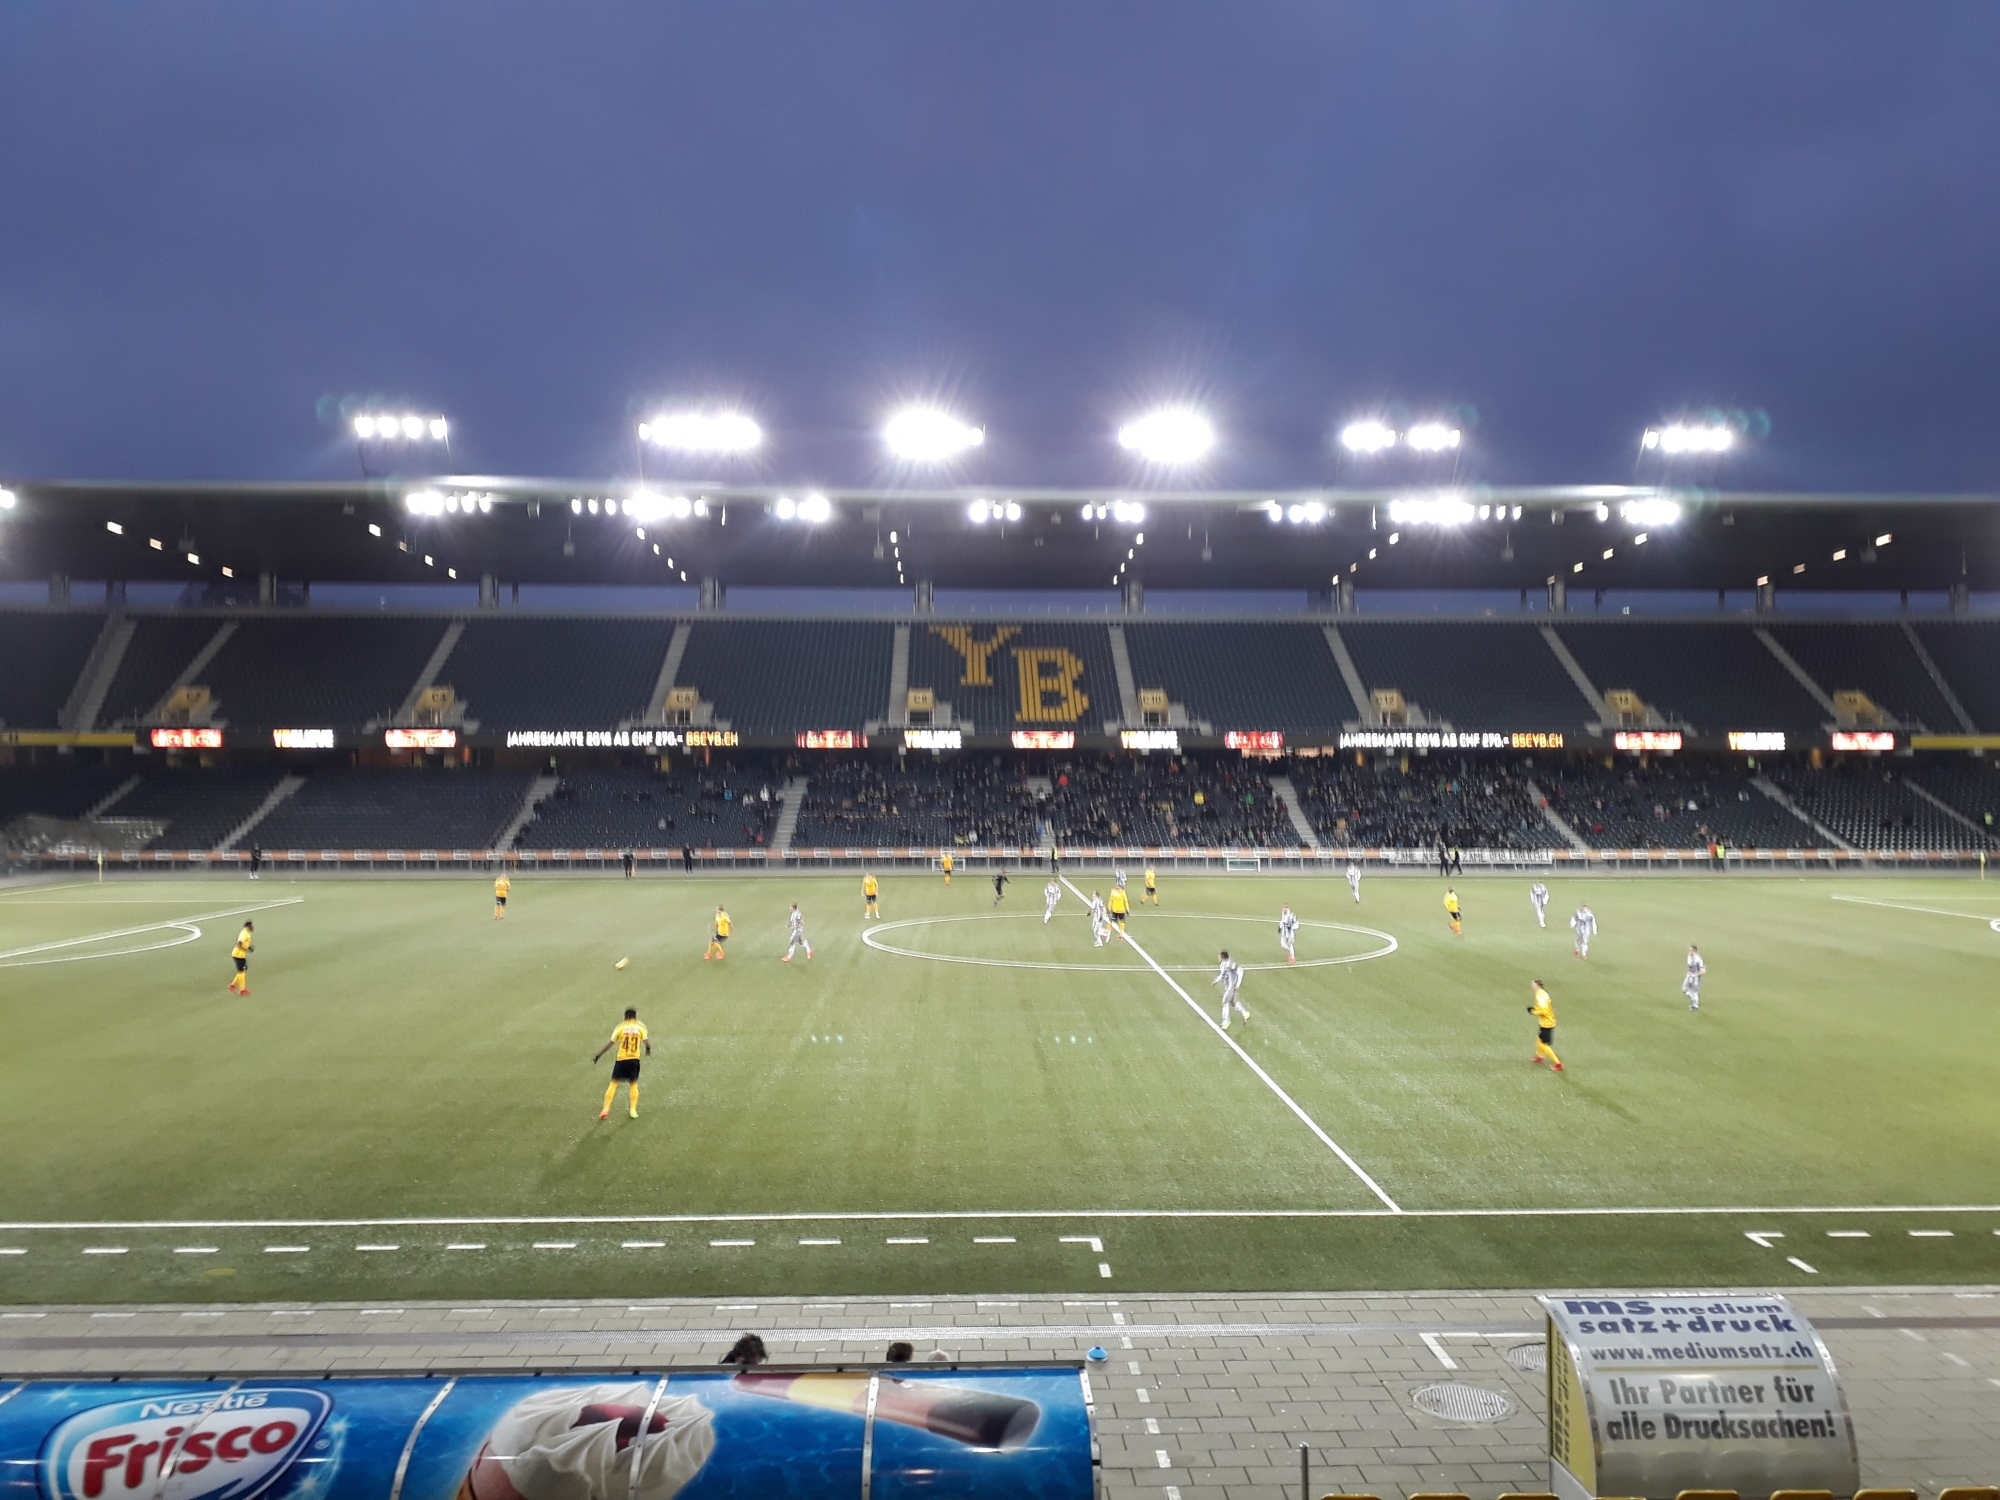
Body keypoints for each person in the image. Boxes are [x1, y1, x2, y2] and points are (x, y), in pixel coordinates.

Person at [593, 1006, 651, 1119]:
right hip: (634, 1059)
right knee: (633, 1084)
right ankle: (633, 1110)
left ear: (625, 1016)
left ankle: (606, 1108)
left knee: (613, 1083)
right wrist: (648, 1049)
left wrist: (598, 1055)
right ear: (635, 1016)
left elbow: (610, 1043)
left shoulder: (620, 1027)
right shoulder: (640, 1028)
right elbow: (647, 1043)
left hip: (621, 1059)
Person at [1527, 980, 1564, 1071]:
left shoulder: (1540, 996)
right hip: (1546, 1021)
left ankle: (1558, 1064)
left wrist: (1533, 1011)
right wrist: (1534, 1008)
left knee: (1544, 1044)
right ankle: (1540, 1057)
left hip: (1547, 1023)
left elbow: (1544, 1011)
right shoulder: (1542, 993)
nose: (1532, 986)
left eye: (1533, 985)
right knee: (1539, 1040)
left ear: (1537, 986)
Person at [1213, 950, 1249, 1030]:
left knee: (1224, 1003)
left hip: (1230, 987)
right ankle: (1245, 1013)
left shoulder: (1230, 964)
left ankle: (1226, 1022)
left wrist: (1238, 984)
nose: (1218, 957)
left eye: (1219, 956)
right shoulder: (1223, 964)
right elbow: (1222, 975)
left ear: (1222, 956)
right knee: (1233, 1002)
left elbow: (1240, 970)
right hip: (1229, 987)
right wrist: (1216, 981)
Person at [228, 920, 254, 995]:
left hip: (239, 954)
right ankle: (242, 989)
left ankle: (232, 985)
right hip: (238, 955)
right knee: (242, 971)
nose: (253, 927)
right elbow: (239, 943)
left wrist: (248, 948)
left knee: (242, 970)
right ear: (249, 926)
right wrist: (247, 948)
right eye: (251, 926)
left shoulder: (246, 933)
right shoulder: (245, 933)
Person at [1682, 944, 1706, 1011]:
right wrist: (1689, 973)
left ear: (1694, 951)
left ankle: (1695, 1006)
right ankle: (1695, 998)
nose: (1689, 951)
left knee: (1693, 991)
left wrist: (1696, 975)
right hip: (1689, 976)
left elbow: (1703, 971)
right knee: (1684, 989)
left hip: (1696, 979)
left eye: (1690, 950)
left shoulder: (1698, 959)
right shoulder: (1689, 956)